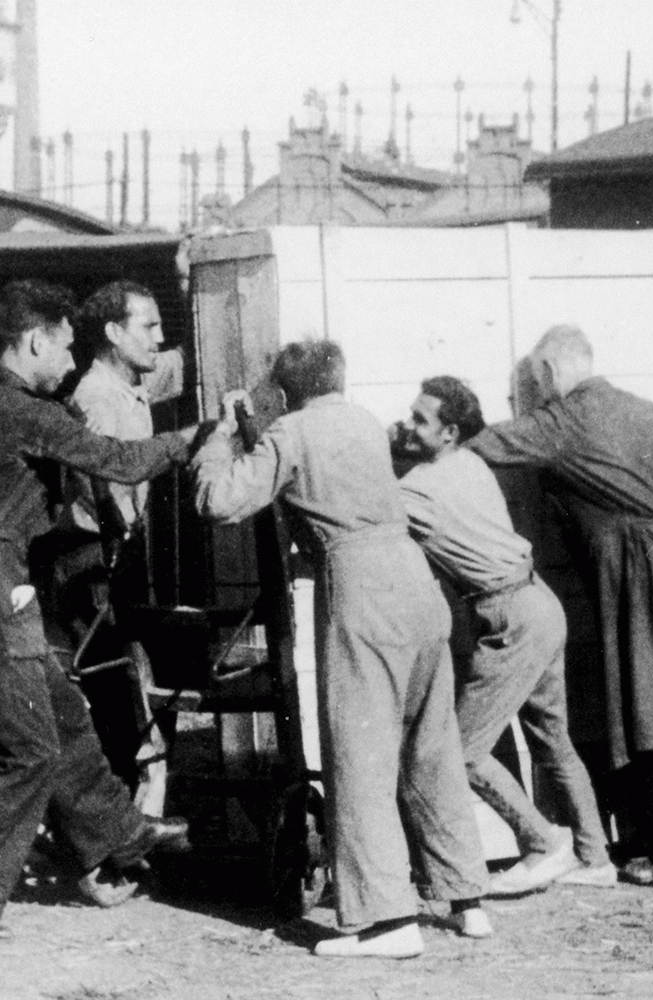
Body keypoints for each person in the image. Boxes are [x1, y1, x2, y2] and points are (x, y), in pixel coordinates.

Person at [0, 280, 197, 944]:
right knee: (25, 752)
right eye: (65, 347)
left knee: (63, 719)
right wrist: (192, 439)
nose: (70, 363)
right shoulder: (18, 411)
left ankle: (119, 833)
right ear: (36, 340)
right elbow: (121, 463)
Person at [194, 340, 492, 959]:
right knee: (429, 744)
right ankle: (466, 898)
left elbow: (218, 501)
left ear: (281, 391)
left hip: (361, 586)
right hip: (417, 582)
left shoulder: (291, 432)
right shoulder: (360, 421)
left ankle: (388, 922)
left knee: (360, 750)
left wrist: (225, 435)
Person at [465, 327, 653, 889]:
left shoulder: (567, 419)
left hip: (647, 574)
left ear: (546, 374)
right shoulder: (640, 408)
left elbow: (486, 445)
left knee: (649, 706)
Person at [392, 375, 616, 892]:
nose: (407, 424)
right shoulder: (469, 462)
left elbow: (374, 510)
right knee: (553, 738)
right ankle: (594, 856)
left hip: (510, 616)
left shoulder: (420, 488)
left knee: (462, 750)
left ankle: (544, 841)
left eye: (419, 419)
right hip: (539, 602)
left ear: (448, 432)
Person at [50, 280, 184, 809]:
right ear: (112, 333)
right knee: (118, 693)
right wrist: (125, 547)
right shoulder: (99, 398)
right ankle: (114, 819)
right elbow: (104, 488)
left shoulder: (129, 383)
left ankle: (129, 810)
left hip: (117, 556)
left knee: (135, 686)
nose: (159, 337)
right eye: (148, 326)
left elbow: (179, 359)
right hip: (97, 559)